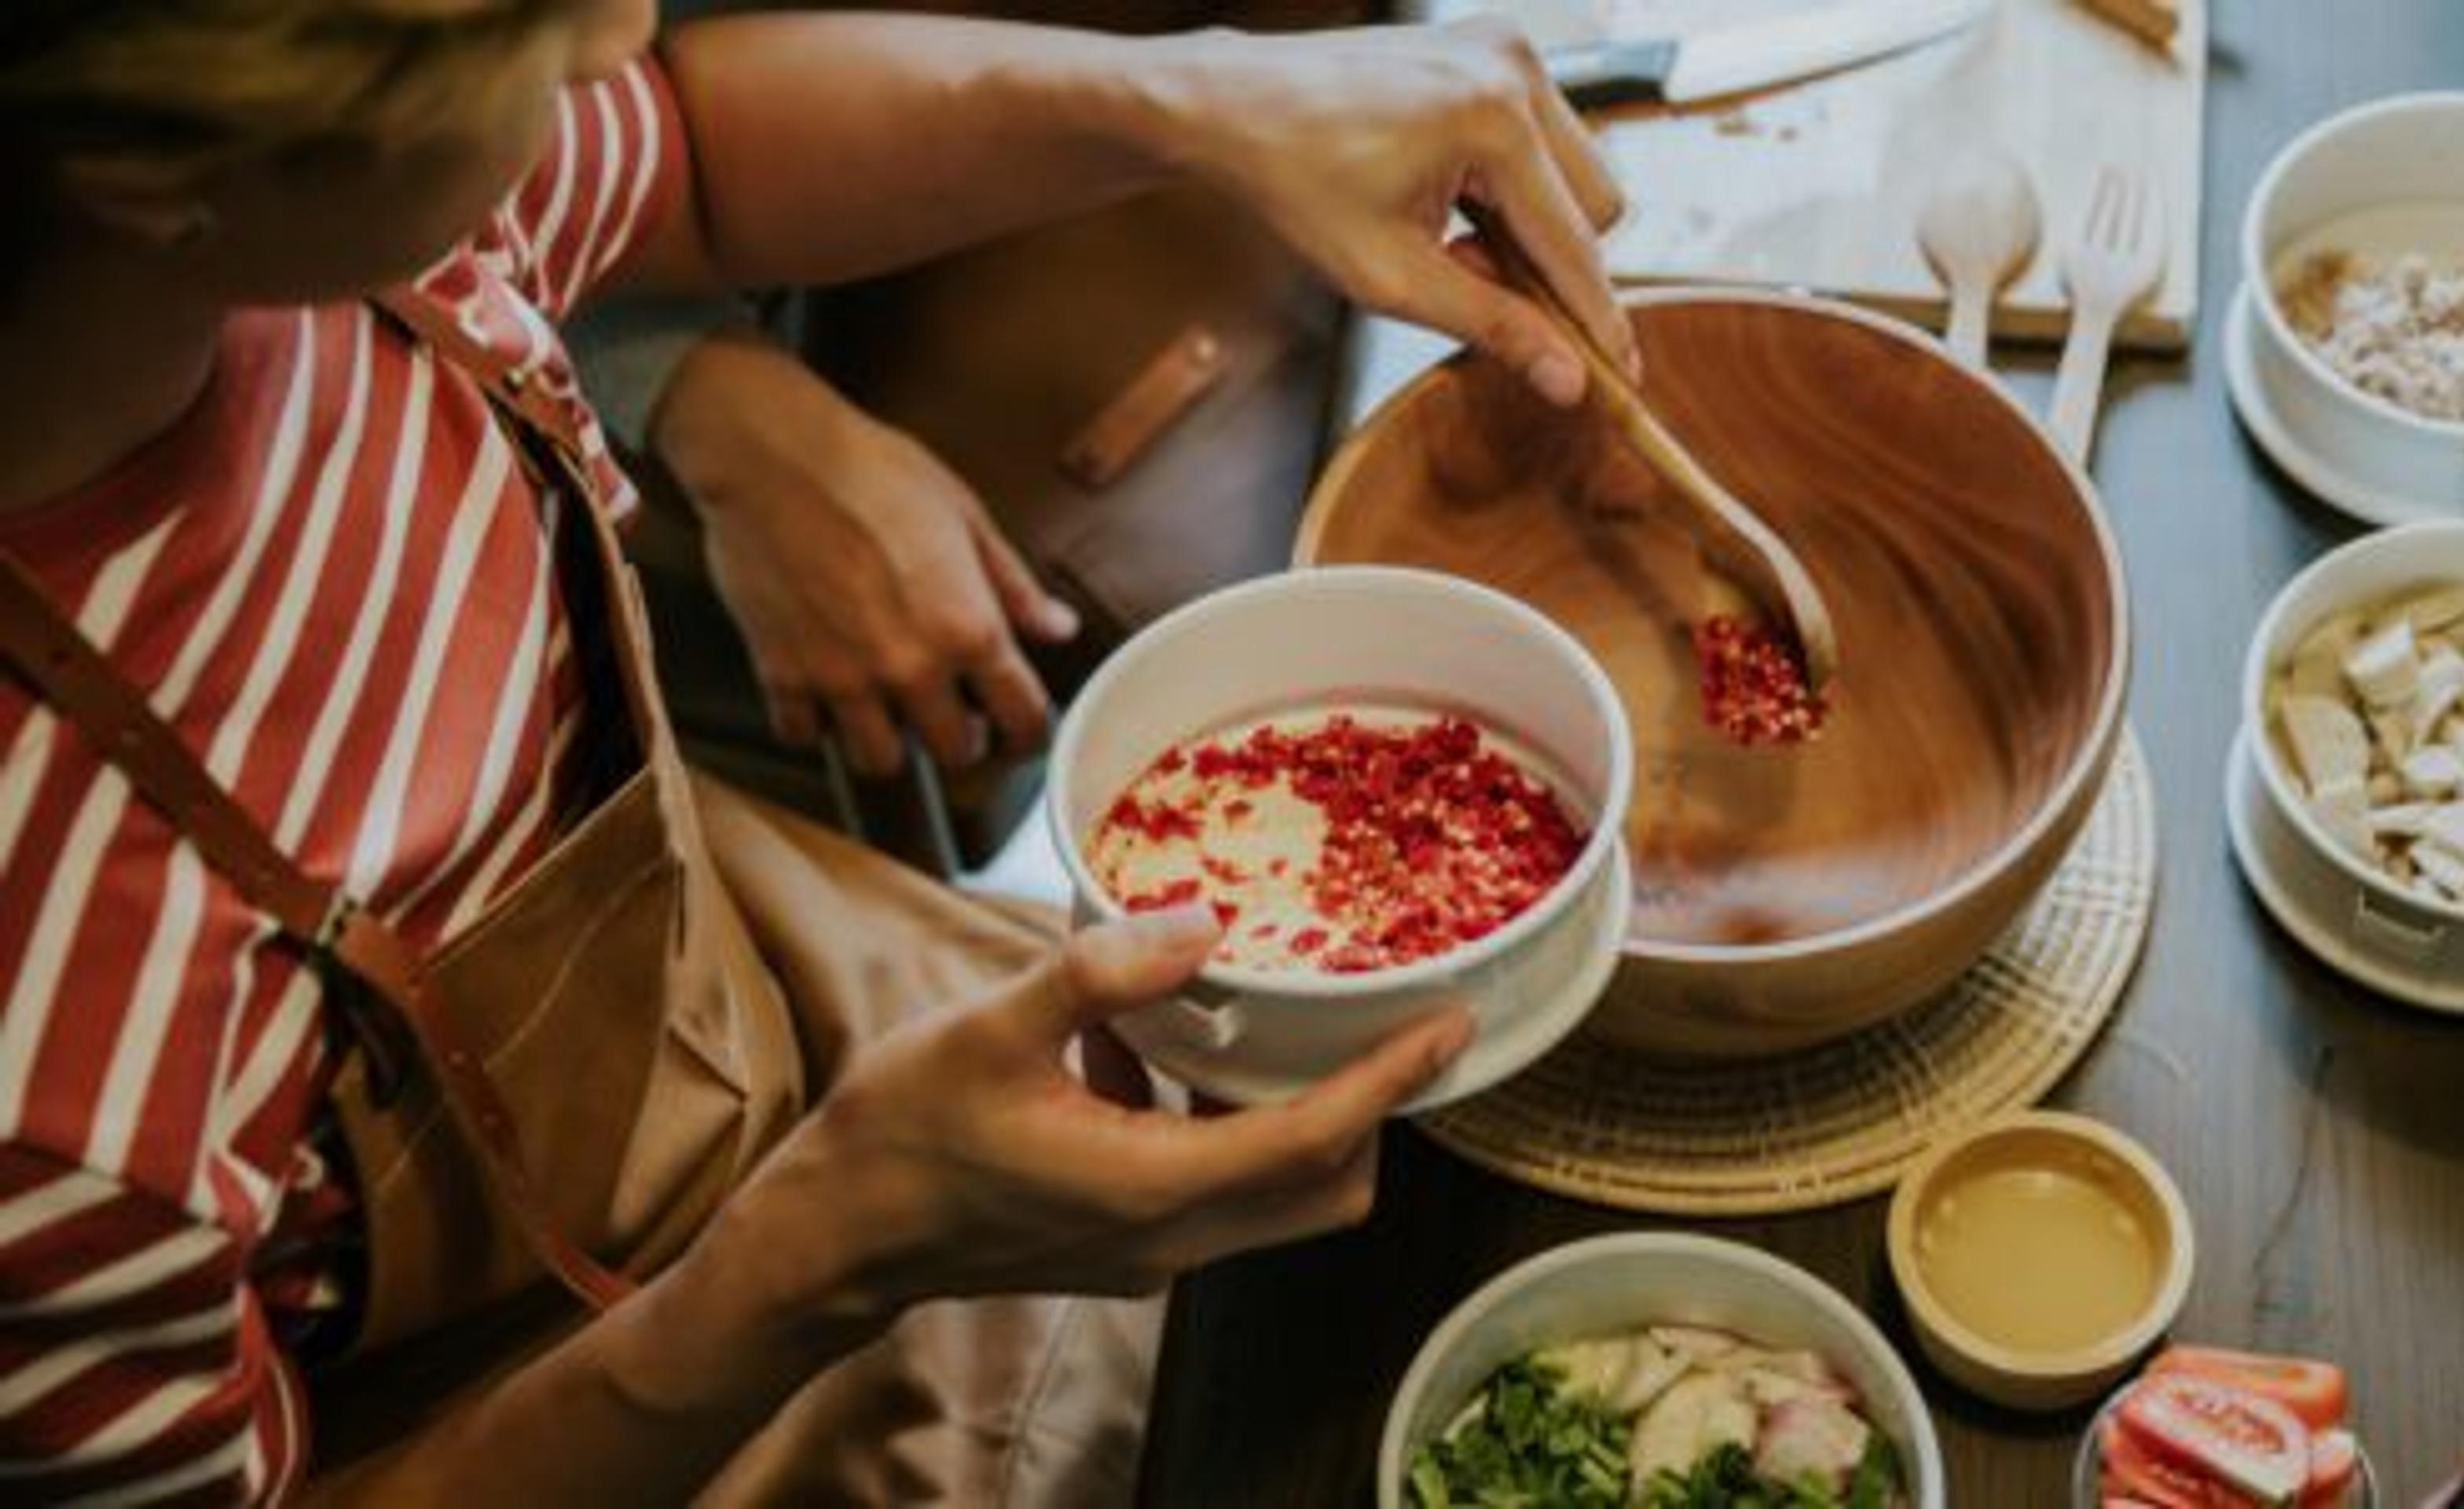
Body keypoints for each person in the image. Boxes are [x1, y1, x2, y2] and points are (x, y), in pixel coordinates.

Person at [0, 1, 1632, 1500]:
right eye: (517, 20)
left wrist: (1205, 97)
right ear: (154, 165)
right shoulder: (53, 1090)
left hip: (764, 1010)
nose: (627, 22)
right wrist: (830, 1257)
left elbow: (686, 157)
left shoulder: (333, 247)